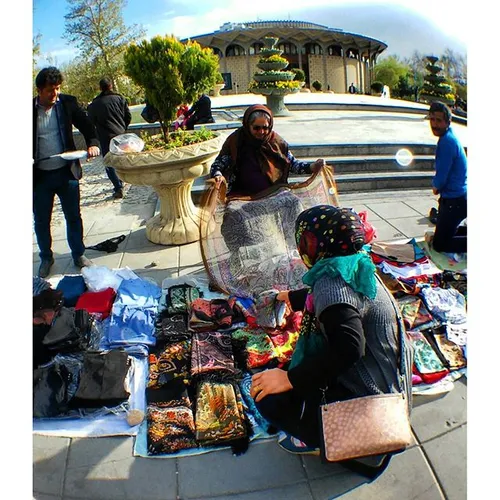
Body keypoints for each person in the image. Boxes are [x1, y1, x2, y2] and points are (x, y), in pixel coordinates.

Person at [250, 205, 412, 462]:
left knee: (266, 396)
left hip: (366, 397)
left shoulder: (331, 283)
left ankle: (318, 439)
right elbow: (336, 301)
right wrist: (289, 297)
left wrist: (291, 378)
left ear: (321, 245)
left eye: (308, 242)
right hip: (386, 383)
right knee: (284, 370)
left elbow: (349, 347)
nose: (304, 249)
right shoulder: (355, 263)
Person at [33, 67, 100, 278]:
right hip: (40, 178)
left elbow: (88, 127)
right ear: (39, 90)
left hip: (66, 173)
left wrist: (93, 144)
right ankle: (46, 257)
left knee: (73, 216)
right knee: (42, 220)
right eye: (50, 90)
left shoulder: (67, 103)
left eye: (58, 89)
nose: (55, 95)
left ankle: (78, 254)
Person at [210, 104, 326, 196]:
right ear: (247, 126)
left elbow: (292, 164)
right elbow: (218, 164)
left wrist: (312, 167)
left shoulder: (276, 142)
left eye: (265, 128)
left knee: (293, 204)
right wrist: (218, 174)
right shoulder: (236, 141)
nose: (261, 132)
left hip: (273, 193)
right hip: (242, 196)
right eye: (256, 128)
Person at [428, 102, 467, 254]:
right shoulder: (448, 137)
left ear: (447, 122)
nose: (434, 124)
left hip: (454, 201)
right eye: (432, 119)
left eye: (439, 120)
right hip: (458, 198)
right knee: (444, 234)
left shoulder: (447, 143)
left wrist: (435, 187)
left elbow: (441, 176)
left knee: (440, 245)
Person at [88, 77, 131, 199]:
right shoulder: (120, 98)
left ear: (100, 88)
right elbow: (128, 116)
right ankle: (126, 179)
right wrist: (123, 128)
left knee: (109, 162)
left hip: (105, 137)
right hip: (121, 134)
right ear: (111, 86)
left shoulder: (95, 104)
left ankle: (118, 187)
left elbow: (91, 121)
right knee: (123, 158)